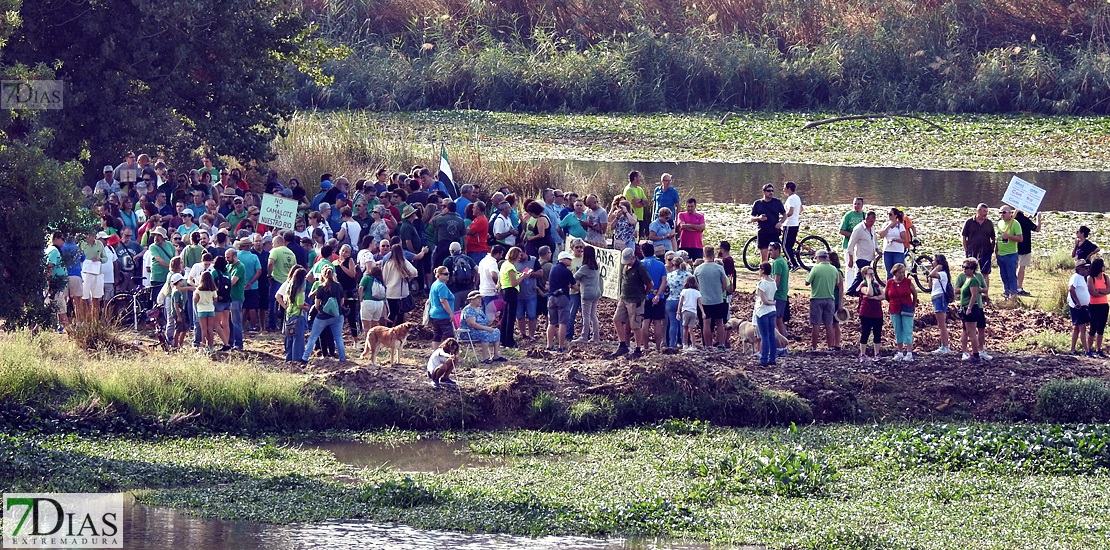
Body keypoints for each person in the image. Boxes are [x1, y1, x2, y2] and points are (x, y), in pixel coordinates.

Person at [301, 265, 349, 362]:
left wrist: (322, 309)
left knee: (313, 337)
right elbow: (342, 302)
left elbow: (317, 304)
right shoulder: (338, 286)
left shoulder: (321, 287)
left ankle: (305, 358)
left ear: (323, 275)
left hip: (322, 317)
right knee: (338, 337)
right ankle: (342, 358)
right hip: (337, 315)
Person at [613, 247, 653, 358]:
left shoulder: (640, 267)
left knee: (635, 325)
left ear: (634, 258)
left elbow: (650, 284)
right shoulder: (625, 266)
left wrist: (644, 294)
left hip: (635, 300)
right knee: (617, 319)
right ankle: (622, 345)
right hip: (624, 298)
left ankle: (638, 349)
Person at [694, 245, 730, 349]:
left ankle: (708, 346)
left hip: (704, 300)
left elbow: (697, 285)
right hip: (718, 299)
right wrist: (719, 292)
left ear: (704, 254)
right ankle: (721, 344)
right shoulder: (719, 268)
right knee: (719, 322)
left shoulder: (698, 269)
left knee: (706, 323)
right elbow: (724, 283)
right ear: (713, 254)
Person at [805, 249, 840, 351]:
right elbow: (837, 283)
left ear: (818, 258)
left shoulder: (816, 268)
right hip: (830, 299)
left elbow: (807, 282)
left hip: (816, 298)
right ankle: (830, 346)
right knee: (829, 324)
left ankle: (814, 347)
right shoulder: (834, 269)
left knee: (816, 324)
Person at [956, 258, 987, 363]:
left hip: (971, 308)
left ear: (973, 269)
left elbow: (974, 295)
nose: (964, 269)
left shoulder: (973, 280)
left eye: (967, 268)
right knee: (969, 331)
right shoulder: (967, 279)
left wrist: (969, 307)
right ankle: (974, 353)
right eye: (963, 267)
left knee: (972, 332)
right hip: (966, 307)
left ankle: (975, 354)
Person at [962, 203, 996, 301]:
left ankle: (985, 295)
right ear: (978, 211)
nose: (985, 213)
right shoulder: (969, 222)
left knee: (985, 274)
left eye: (987, 211)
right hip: (972, 252)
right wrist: (966, 250)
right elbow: (964, 237)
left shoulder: (989, 223)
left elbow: (993, 238)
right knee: (969, 273)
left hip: (985, 252)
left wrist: (991, 250)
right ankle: (968, 294)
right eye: (984, 211)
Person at [459, 291, 504, 363]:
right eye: (478, 299)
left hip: (480, 330)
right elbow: (472, 324)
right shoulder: (468, 310)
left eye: (480, 299)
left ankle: (496, 355)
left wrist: (494, 317)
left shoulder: (479, 310)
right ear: (471, 300)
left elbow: (486, 323)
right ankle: (485, 358)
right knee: (484, 334)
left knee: (497, 331)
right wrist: (487, 329)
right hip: (468, 332)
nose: (480, 300)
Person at [885, 263, 917, 361]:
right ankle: (899, 351)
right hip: (894, 308)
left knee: (907, 329)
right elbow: (886, 295)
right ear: (895, 273)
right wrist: (891, 303)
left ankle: (909, 352)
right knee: (898, 329)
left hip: (906, 307)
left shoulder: (908, 282)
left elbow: (914, 293)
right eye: (900, 272)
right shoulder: (890, 282)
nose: (902, 275)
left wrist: (913, 305)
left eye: (903, 272)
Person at [499, 247, 529, 349]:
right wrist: (523, 277)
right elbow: (514, 283)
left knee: (505, 316)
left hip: (504, 290)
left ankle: (503, 340)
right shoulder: (511, 267)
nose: (520, 257)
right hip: (510, 291)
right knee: (510, 317)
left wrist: (520, 275)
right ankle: (509, 342)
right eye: (519, 255)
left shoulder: (504, 264)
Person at [640, 243, 668, 351]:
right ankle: (657, 348)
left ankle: (646, 347)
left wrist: (645, 293)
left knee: (645, 321)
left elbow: (639, 282)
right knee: (657, 322)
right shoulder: (661, 265)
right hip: (658, 297)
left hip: (645, 297)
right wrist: (657, 294)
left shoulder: (641, 264)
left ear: (643, 252)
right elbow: (664, 282)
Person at [278, 266, 310, 361]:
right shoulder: (300, 291)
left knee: (289, 338)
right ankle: (297, 359)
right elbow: (300, 305)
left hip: (289, 315)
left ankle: (289, 358)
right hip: (298, 316)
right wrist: (306, 307)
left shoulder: (289, 288)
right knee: (298, 339)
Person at [382, 244, 418, 327]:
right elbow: (414, 272)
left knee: (392, 313)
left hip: (390, 292)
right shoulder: (403, 262)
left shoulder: (388, 263)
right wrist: (408, 278)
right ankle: (399, 333)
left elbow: (384, 278)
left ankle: (389, 331)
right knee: (400, 314)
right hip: (401, 293)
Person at [546, 251, 575, 351]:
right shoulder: (566, 271)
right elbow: (574, 285)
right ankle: (561, 347)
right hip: (562, 297)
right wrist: (573, 286)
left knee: (552, 323)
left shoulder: (552, 268)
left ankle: (549, 345)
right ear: (562, 259)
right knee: (563, 322)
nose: (570, 260)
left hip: (551, 297)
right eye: (568, 259)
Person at [573, 245, 603, 344]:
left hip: (587, 293)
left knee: (586, 316)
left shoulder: (585, 267)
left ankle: (584, 336)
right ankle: (596, 337)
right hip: (596, 292)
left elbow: (575, 277)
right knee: (593, 315)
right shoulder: (596, 265)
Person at [845, 211, 878, 296]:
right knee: (865, 274)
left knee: (860, 275)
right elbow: (851, 245)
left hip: (870, 256)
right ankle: (855, 290)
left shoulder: (872, 228)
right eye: (870, 221)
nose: (872, 223)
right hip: (861, 256)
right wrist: (851, 259)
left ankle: (853, 291)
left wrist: (877, 249)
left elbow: (874, 239)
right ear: (866, 219)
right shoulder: (859, 229)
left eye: (873, 222)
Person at [750, 183, 786, 264]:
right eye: (768, 191)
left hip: (774, 232)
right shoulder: (758, 203)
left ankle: (776, 274)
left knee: (776, 258)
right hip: (763, 232)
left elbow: (785, 215)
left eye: (772, 191)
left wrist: (780, 222)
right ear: (763, 192)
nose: (771, 193)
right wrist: (759, 218)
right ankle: (763, 275)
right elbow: (751, 218)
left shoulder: (777, 202)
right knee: (764, 258)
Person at [79, 231, 109, 321]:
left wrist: (99, 259)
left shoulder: (99, 244)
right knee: (83, 297)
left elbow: (105, 258)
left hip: (97, 273)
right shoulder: (82, 244)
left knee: (96, 298)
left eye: (93, 235)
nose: (91, 237)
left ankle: (95, 320)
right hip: (85, 273)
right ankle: (85, 320)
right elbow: (78, 257)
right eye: (89, 235)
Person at [995, 205, 1024, 299]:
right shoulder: (999, 223)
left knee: (1011, 276)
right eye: (1000, 212)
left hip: (1010, 255)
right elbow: (998, 239)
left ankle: (1013, 296)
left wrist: (1009, 236)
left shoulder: (1015, 224)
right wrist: (996, 251)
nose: (1002, 214)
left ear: (1010, 213)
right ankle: (1006, 293)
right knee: (1003, 276)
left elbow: (1020, 238)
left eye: (1004, 212)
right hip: (1001, 254)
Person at [857, 265, 884, 362]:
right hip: (866, 312)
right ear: (864, 275)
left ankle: (877, 353)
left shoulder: (876, 285)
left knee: (877, 333)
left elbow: (883, 295)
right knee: (865, 332)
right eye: (869, 274)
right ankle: (862, 354)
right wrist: (868, 282)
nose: (872, 276)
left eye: (873, 274)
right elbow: (870, 293)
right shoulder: (862, 285)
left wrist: (874, 298)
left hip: (877, 312)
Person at [754, 261, 779, 366]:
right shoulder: (773, 282)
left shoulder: (761, 283)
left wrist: (771, 302)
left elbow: (764, 300)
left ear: (763, 270)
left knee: (764, 336)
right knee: (771, 335)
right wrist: (773, 303)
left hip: (762, 311)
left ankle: (764, 358)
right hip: (772, 310)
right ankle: (772, 357)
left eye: (760, 269)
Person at [928, 254, 954, 354]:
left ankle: (945, 346)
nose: (932, 262)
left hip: (940, 298)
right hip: (935, 298)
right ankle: (944, 345)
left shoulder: (942, 274)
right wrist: (932, 271)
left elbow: (931, 274)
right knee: (940, 324)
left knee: (941, 324)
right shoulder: (936, 275)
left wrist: (937, 268)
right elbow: (930, 285)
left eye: (934, 261)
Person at [769, 242, 790, 356]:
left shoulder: (777, 263)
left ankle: (779, 346)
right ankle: (784, 345)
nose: (769, 252)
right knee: (780, 320)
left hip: (777, 295)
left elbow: (776, 280)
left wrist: (770, 293)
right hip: (783, 295)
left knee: (775, 321)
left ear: (777, 250)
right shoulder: (783, 261)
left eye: (771, 250)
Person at [664, 256, 690, 348]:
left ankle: (671, 344)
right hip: (684, 301)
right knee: (683, 324)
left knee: (672, 323)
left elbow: (665, 287)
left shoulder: (669, 275)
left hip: (671, 300)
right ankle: (684, 343)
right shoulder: (688, 275)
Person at [1068, 258, 1093, 356]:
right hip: (1077, 307)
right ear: (1079, 269)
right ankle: (1087, 351)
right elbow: (1071, 289)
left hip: (1082, 307)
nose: (1087, 270)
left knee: (1077, 329)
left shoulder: (1081, 277)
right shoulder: (1075, 277)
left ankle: (1072, 349)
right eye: (1085, 268)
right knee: (1082, 328)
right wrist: (1077, 302)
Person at [1014, 210, 1041, 296]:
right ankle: (1019, 288)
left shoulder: (1012, 220)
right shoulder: (1025, 220)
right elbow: (1037, 229)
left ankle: (1011, 287)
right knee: (1021, 267)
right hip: (1024, 247)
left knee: (1013, 267)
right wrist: (1038, 219)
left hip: (1013, 246)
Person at [1087, 258, 1109, 358]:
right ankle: (1088, 349)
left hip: (1104, 305)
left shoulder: (1106, 277)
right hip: (1093, 305)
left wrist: (1099, 291)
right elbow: (1092, 292)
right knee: (1093, 327)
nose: (1104, 267)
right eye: (1102, 265)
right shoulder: (1090, 278)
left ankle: (1098, 349)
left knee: (1101, 328)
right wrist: (1102, 291)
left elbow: (1109, 290)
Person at [428, 266, 456, 344]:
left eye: (448, 273)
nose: (448, 276)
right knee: (449, 337)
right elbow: (443, 300)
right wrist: (451, 313)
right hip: (443, 315)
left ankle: (436, 353)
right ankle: (450, 354)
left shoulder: (435, 284)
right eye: (445, 274)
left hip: (434, 315)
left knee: (437, 335)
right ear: (439, 275)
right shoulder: (441, 286)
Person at [880, 208, 909, 278]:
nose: (888, 216)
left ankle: (900, 287)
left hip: (898, 251)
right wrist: (889, 225)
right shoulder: (885, 224)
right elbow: (881, 235)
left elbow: (905, 239)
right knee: (889, 272)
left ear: (895, 215)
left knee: (898, 271)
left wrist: (895, 239)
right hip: (887, 251)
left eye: (890, 214)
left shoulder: (900, 226)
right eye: (888, 214)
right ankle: (890, 287)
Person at [194, 271, 218, 351]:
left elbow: (196, 300)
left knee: (203, 329)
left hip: (201, 310)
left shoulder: (198, 290)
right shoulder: (213, 289)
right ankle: (211, 346)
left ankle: (203, 346)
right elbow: (215, 299)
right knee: (210, 329)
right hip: (211, 310)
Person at [781, 181, 803, 269]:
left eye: (784, 188)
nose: (783, 190)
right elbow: (801, 209)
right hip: (795, 223)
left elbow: (790, 212)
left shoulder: (791, 199)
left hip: (789, 225)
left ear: (789, 189)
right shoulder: (797, 197)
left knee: (785, 246)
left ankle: (794, 264)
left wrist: (782, 219)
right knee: (789, 246)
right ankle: (790, 263)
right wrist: (796, 216)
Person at [676, 276, 702, 351]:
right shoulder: (697, 292)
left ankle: (685, 344)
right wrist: (703, 312)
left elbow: (680, 302)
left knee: (685, 328)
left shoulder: (684, 291)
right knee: (691, 329)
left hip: (685, 311)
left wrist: (678, 311)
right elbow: (699, 303)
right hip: (693, 312)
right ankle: (693, 345)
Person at [624, 171, 650, 237]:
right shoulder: (629, 189)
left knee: (638, 238)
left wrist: (641, 200)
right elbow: (637, 205)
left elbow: (647, 201)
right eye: (639, 177)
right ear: (635, 178)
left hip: (640, 217)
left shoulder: (640, 189)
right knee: (634, 238)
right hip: (632, 218)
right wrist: (642, 202)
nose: (641, 178)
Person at [170, 274, 192, 348]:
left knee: (184, 329)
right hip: (178, 313)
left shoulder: (176, 290)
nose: (182, 282)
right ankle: (176, 346)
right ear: (178, 282)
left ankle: (180, 345)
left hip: (181, 312)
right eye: (181, 280)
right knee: (178, 330)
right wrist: (179, 316)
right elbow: (176, 304)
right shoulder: (176, 292)